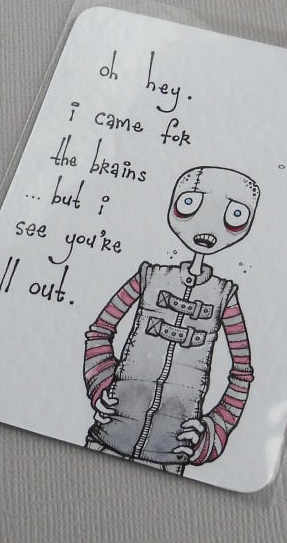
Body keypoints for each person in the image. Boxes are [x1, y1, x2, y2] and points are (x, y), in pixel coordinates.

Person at [83, 166, 260, 475]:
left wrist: (212, 433)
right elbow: (100, 331)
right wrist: (101, 386)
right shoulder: (148, 277)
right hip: (105, 440)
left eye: (235, 215)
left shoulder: (224, 297)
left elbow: (242, 373)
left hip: (168, 460)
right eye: (190, 203)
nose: (208, 225)